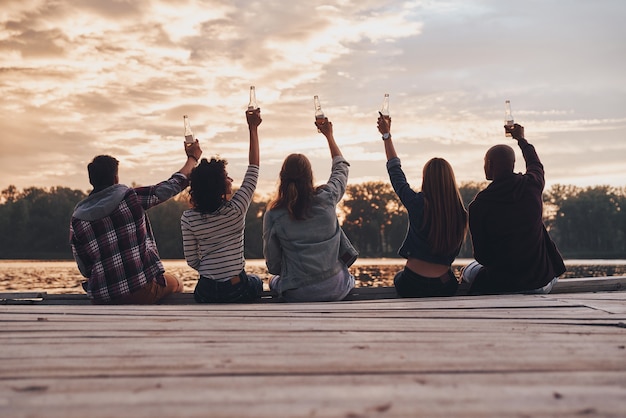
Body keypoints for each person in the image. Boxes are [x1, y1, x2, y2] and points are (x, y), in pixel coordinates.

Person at [70, 140, 202, 304]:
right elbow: (173, 185)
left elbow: (85, 268)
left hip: (101, 297)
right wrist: (192, 159)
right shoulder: (130, 198)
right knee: (176, 283)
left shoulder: (77, 219)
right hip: (140, 292)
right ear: (115, 177)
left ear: (91, 181)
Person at [461, 123, 566, 294]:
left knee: (468, 271)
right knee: (552, 269)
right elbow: (535, 164)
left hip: (501, 284)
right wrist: (521, 139)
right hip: (540, 283)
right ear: (513, 163)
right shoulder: (532, 185)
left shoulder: (479, 205)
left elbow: (482, 257)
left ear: (489, 164)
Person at [263, 116, 358, 302]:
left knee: (272, 280)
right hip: (336, 288)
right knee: (345, 274)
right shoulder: (327, 198)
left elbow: (274, 265)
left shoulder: (273, 214)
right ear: (310, 176)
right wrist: (329, 136)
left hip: (298, 292)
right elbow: (341, 168)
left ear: (282, 177)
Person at [377, 113, 468, 297]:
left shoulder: (417, 204)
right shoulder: (461, 214)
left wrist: (387, 136)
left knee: (398, 279)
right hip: (445, 285)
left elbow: (395, 172)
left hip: (411, 283)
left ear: (426, 179)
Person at [181, 109, 263, 303]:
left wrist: (211, 272)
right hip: (237, 290)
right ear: (219, 185)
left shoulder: (188, 218)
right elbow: (254, 167)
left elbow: (192, 260)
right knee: (256, 281)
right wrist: (253, 128)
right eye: (226, 177)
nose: (231, 179)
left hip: (206, 292)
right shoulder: (236, 209)